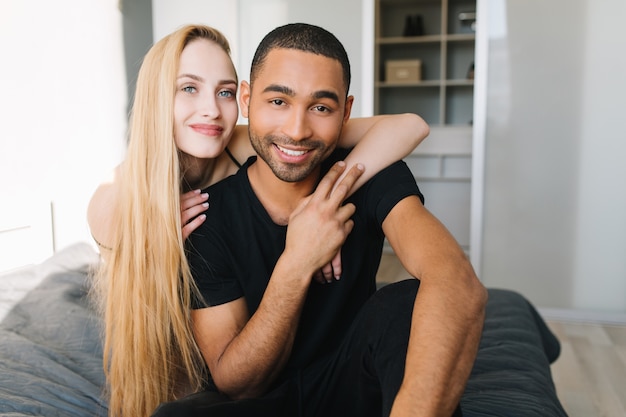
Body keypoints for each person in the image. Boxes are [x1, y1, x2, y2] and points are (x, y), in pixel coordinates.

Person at [87, 24, 429, 417]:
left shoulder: (240, 139)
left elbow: (410, 126)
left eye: (225, 92)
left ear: (243, 98)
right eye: (189, 88)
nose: (212, 109)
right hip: (183, 349)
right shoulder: (125, 189)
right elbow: (110, 233)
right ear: (156, 98)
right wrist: (155, 231)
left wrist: (321, 200)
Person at [156, 23, 487, 417]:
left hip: (352, 385)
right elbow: (238, 383)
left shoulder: (371, 172)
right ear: (246, 99)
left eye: (321, 108)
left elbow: (455, 280)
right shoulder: (203, 214)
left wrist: (327, 198)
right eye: (278, 101)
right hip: (262, 405)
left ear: (346, 112)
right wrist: (298, 262)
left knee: (407, 301)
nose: (297, 131)